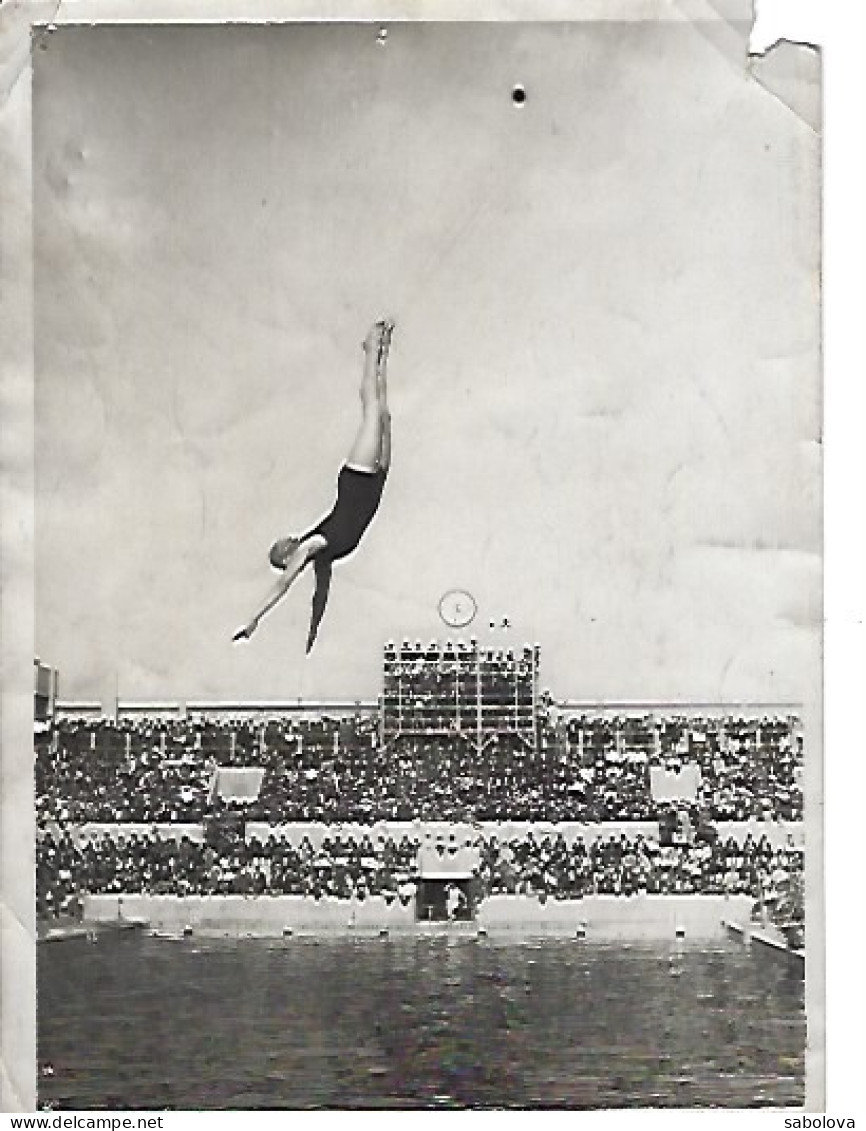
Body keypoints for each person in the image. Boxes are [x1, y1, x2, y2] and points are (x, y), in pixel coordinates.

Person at [233, 319, 394, 653]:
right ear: (287, 554)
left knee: (374, 412)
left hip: (359, 480)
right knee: (382, 415)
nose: (289, 536)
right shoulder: (311, 549)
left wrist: (311, 627)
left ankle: (372, 350)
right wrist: (254, 620)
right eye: (284, 542)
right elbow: (287, 587)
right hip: (372, 482)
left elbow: (318, 592)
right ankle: (380, 353)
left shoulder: (318, 545)